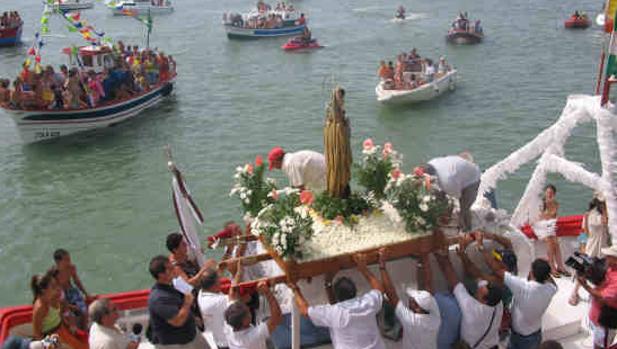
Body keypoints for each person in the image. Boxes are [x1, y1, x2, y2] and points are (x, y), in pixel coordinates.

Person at [473, 232, 557, 349]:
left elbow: (496, 270)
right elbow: (508, 244)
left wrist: (481, 247)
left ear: (531, 273)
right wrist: (493, 236)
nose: (495, 260)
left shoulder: (522, 287)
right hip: (535, 334)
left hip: (521, 339)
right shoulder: (551, 289)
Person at [289, 252, 386, 349]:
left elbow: (305, 311)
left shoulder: (335, 313)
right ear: (355, 291)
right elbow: (379, 289)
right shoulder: (367, 304)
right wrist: (363, 268)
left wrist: (294, 287)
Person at [434, 244, 503, 349]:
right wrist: (463, 255)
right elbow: (478, 276)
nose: (480, 287)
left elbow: (453, 279)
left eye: (481, 291)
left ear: (484, 301)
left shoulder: (472, 309)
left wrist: (442, 255)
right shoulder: (498, 304)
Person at [379, 248, 440, 349]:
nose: (410, 298)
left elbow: (391, 294)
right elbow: (428, 285)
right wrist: (423, 258)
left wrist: (382, 265)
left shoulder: (412, 321)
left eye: (412, 299)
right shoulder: (435, 318)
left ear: (418, 308)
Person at [147, 255, 206, 349]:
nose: (174, 269)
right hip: (174, 344)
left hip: (191, 335)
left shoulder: (174, 284)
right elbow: (177, 321)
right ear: (161, 275)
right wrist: (187, 302)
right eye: (170, 268)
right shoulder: (159, 298)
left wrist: (192, 318)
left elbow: (187, 293)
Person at [419, 152, 481, 232]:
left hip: (472, 179)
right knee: (437, 193)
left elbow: (457, 196)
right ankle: (443, 213)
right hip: (457, 171)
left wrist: (447, 208)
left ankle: (467, 230)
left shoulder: (447, 180)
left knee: (464, 208)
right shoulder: (431, 163)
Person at [31, 270, 87, 349]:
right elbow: (37, 333)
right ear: (44, 290)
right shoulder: (41, 308)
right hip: (51, 336)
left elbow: (59, 313)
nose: (57, 288)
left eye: (57, 285)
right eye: (53, 287)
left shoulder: (54, 297)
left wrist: (69, 324)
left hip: (62, 329)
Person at [571, 194, 610, 306]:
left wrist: (582, 246)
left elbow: (583, 231)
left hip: (593, 248)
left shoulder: (588, 214)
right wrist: (604, 209)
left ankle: (575, 293)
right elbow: (604, 221)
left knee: (585, 272)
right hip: (595, 249)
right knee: (584, 273)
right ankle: (575, 293)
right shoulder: (595, 215)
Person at [577, 245, 617, 349]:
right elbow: (600, 281)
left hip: (605, 321)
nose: (606, 257)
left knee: (600, 346)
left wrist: (585, 285)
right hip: (596, 315)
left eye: (609, 256)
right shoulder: (610, 268)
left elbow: (602, 297)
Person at [224, 279, 282, 349]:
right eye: (248, 312)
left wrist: (238, 273)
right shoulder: (253, 337)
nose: (249, 310)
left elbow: (232, 296)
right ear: (244, 321)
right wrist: (267, 292)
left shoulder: (229, 326)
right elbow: (277, 317)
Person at [533, 184, 570, 278]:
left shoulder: (556, 204)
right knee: (550, 241)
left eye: (551, 193)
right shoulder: (541, 203)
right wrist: (548, 209)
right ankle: (552, 267)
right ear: (545, 193)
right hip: (539, 225)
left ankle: (560, 266)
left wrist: (551, 219)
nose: (549, 194)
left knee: (556, 243)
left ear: (554, 194)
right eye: (548, 192)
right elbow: (540, 217)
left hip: (549, 225)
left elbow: (554, 218)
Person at [53, 249, 94, 330]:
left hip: (71, 292)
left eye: (69, 259)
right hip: (60, 295)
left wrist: (86, 294)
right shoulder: (54, 273)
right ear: (58, 262)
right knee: (68, 315)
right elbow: (54, 292)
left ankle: (84, 329)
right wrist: (69, 306)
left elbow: (77, 281)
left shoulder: (71, 268)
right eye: (66, 260)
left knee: (84, 311)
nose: (69, 261)